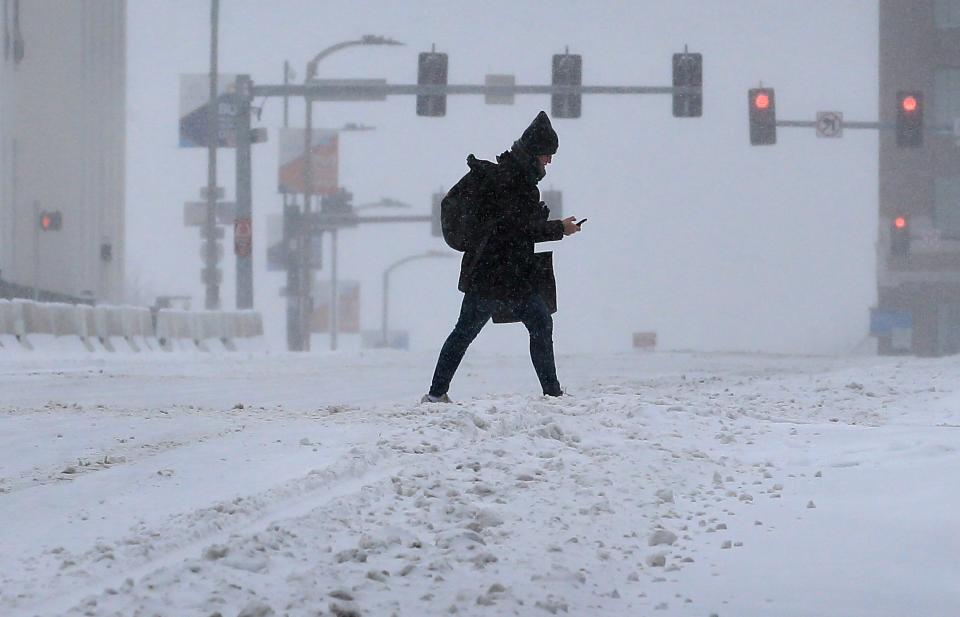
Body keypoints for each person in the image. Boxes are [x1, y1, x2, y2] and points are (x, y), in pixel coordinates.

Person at [422, 111, 581, 403]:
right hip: (501, 274)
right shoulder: (514, 183)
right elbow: (516, 230)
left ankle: (436, 393)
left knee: (472, 331)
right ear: (534, 153)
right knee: (536, 324)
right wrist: (559, 228)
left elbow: (508, 226)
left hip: (491, 272)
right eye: (547, 154)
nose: (549, 161)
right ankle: (552, 392)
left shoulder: (508, 177)